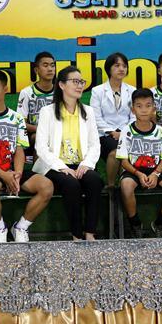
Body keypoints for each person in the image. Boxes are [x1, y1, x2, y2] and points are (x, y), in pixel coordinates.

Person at [0, 70, 54, 243]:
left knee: (46, 187)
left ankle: (21, 227)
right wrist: (4, 175)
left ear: (5, 89)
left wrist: (17, 174)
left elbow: (19, 149)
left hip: (13, 169)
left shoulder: (16, 118)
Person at [34, 66, 104, 240]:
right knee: (71, 184)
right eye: (75, 81)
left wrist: (86, 164)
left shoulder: (88, 111)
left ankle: (90, 233)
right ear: (62, 85)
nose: (80, 85)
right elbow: (41, 147)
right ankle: (76, 234)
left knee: (94, 180)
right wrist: (61, 167)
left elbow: (95, 144)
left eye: (81, 82)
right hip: (54, 165)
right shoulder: (47, 112)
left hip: (80, 164)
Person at [116, 88, 162, 238]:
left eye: (148, 105)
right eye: (139, 106)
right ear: (133, 109)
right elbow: (123, 161)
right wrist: (138, 174)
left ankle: (160, 223)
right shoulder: (126, 131)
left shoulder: (159, 131)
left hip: (155, 170)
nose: (144, 110)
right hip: (134, 170)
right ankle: (135, 224)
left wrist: (156, 174)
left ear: (154, 108)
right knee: (126, 186)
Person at [90, 52, 136, 186]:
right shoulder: (97, 91)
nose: (121, 69)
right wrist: (112, 132)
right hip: (104, 135)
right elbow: (95, 117)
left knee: (123, 149)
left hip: (127, 133)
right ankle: (111, 186)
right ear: (109, 69)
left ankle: (124, 184)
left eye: (124, 66)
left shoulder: (132, 90)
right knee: (115, 152)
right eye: (117, 66)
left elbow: (134, 116)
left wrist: (123, 132)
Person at [17, 51, 57, 168]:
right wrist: (42, 130)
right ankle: (37, 173)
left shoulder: (60, 92)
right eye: (45, 65)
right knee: (38, 137)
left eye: (52, 65)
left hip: (57, 132)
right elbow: (21, 122)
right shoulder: (26, 92)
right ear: (36, 70)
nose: (50, 69)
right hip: (33, 133)